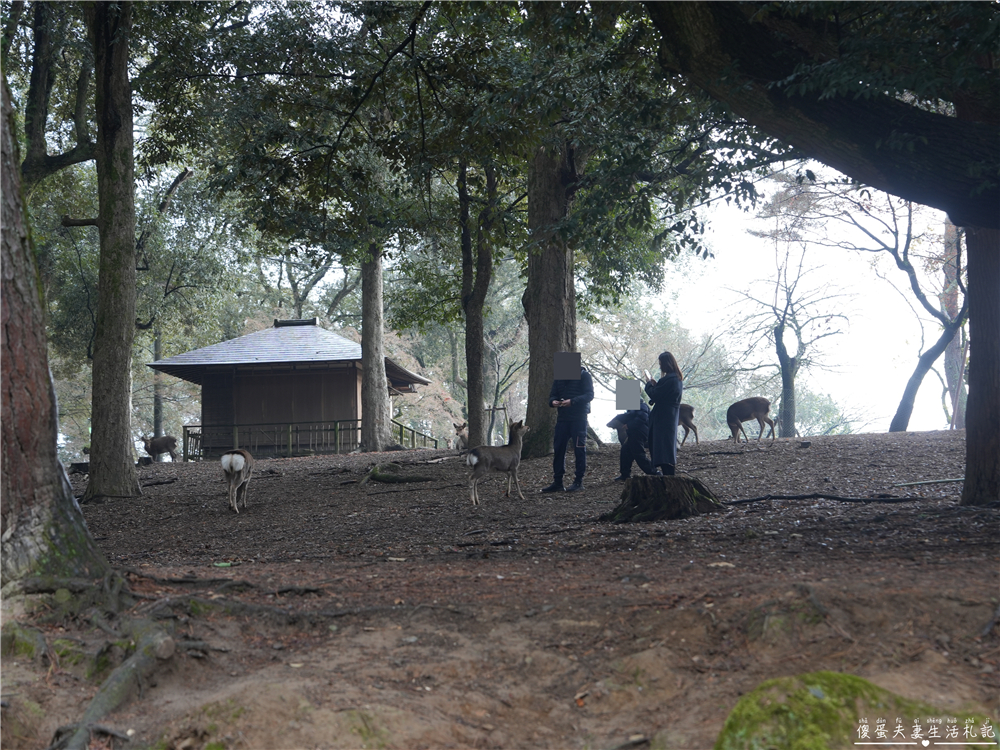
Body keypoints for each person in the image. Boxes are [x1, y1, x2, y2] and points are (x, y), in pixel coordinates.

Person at [541, 362, 594, 493]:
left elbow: (590, 395)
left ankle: (578, 481)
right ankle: (558, 482)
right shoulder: (559, 378)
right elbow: (553, 395)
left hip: (579, 419)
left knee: (579, 449)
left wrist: (573, 401)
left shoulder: (584, 375)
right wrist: (553, 402)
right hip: (562, 419)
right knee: (558, 449)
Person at [644, 351, 683, 476]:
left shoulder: (669, 379)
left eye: (661, 363)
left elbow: (655, 395)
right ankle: (667, 476)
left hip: (663, 417)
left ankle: (668, 478)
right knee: (666, 447)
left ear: (666, 364)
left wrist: (649, 384)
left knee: (663, 448)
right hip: (669, 416)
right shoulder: (676, 379)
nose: (660, 366)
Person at [608, 398, 658, 481]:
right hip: (633, 432)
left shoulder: (641, 404)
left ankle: (654, 472)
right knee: (625, 451)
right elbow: (631, 416)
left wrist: (629, 425)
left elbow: (643, 417)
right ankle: (625, 474)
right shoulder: (633, 406)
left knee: (638, 453)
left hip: (639, 432)